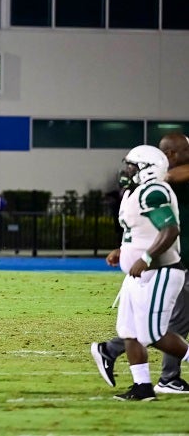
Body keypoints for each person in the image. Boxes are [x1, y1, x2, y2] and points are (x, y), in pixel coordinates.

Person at [92, 133, 189, 395]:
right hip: (140, 271)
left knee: (154, 332)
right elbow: (140, 231)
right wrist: (122, 250)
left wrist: (145, 258)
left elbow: (169, 229)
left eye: (132, 167)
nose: (126, 171)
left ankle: (166, 377)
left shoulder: (154, 189)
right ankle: (142, 386)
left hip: (161, 269)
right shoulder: (135, 193)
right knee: (131, 331)